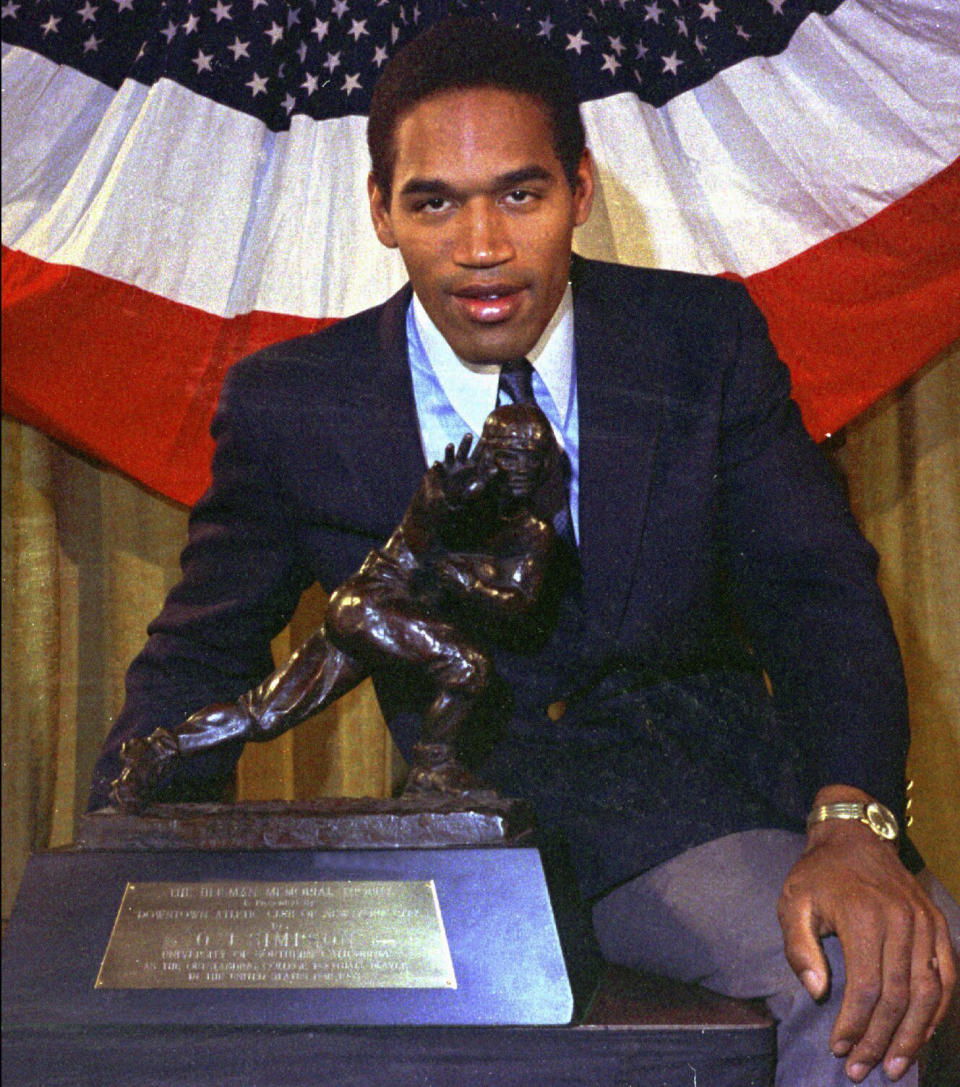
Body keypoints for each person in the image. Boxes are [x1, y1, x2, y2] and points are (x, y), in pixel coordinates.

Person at [88, 16, 957, 1084]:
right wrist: (105, 869)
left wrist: (852, 821)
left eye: (520, 193)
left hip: (740, 799)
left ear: (581, 191)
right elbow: (202, 656)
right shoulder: (294, 403)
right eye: (434, 202)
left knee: (922, 955)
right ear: (380, 210)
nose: (483, 245)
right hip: (490, 859)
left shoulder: (703, 339)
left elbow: (819, 597)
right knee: (845, 982)